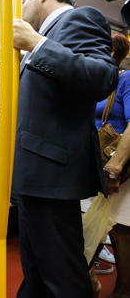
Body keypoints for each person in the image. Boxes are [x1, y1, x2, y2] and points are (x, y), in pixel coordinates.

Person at [11, 0, 119, 296]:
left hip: (52, 176)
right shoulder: (46, 36)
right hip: (35, 174)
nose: (23, 8)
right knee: (36, 273)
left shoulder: (79, 19)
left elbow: (101, 76)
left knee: (63, 279)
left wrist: (36, 44)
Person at [93, 32, 130, 297]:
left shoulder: (125, 80)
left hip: (120, 167)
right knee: (95, 226)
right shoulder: (97, 85)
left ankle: (123, 288)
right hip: (94, 164)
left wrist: (115, 166)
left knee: (120, 230)